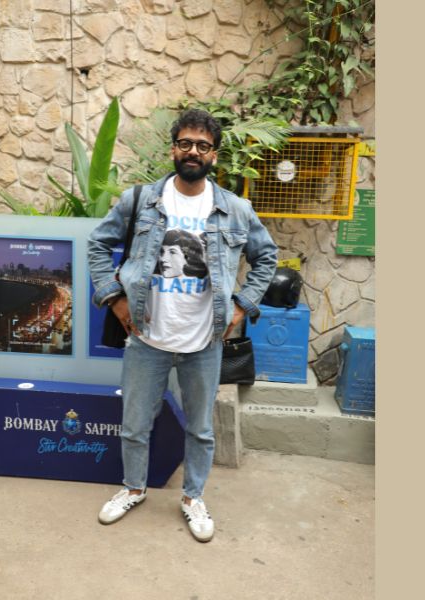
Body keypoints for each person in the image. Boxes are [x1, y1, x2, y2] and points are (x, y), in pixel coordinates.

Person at [87, 108, 278, 542]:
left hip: (204, 341)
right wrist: (114, 297)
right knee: (135, 424)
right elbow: (98, 244)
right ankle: (133, 488)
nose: (193, 151)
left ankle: (193, 497)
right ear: (173, 149)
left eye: (203, 145)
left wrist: (242, 306)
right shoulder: (141, 200)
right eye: (185, 143)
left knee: (201, 429)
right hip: (146, 337)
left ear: (214, 155)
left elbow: (267, 256)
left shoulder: (235, 209)